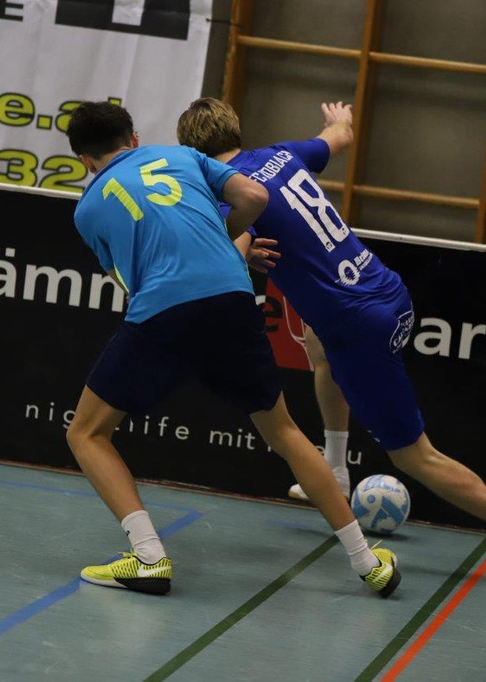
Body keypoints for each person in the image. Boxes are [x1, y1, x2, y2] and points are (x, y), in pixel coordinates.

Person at [176, 98, 486, 580]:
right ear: (235, 130)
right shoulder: (282, 155)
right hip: (385, 290)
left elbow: (231, 250)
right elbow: (339, 136)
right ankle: (336, 469)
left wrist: (238, 256)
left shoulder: (231, 195)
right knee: (317, 343)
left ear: (194, 154)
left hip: (358, 326)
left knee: (414, 455)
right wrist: (339, 120)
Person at [64, 101, 400, 597]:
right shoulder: (180, 157)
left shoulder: (87, 209)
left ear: (84, 159)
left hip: (161, 312)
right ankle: (367, 561)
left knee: (87, 433)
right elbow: (254, 195)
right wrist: (223, 242)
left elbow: (125, 279)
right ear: (133, 139)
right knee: (284, 431)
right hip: (231, 296)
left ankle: (149, 557)